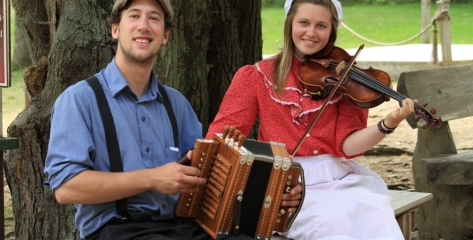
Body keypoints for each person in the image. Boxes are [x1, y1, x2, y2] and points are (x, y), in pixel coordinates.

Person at [206, 0, 413, 239]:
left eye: (321, 26)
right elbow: (220, 137)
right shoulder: (255, 76)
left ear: (332, 30)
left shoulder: (346, 79)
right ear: (290, 23)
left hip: (339, 178)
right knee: (331, 223)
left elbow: (347, 147)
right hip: (286, 183)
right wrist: (260, 184)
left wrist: (388, 124)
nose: (311, 33)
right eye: (303, 22)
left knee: (375, 217)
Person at [43, 0, 238, 239]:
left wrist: (229, 164)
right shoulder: (79, 100)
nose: (144, 26)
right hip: (118, 230)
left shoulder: (176, 103)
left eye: (154, 18)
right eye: (134, 16)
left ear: (165, 35)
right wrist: (153, 178)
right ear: (115, 29)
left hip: (182, 228)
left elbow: (200, 180)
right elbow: (66, 188)